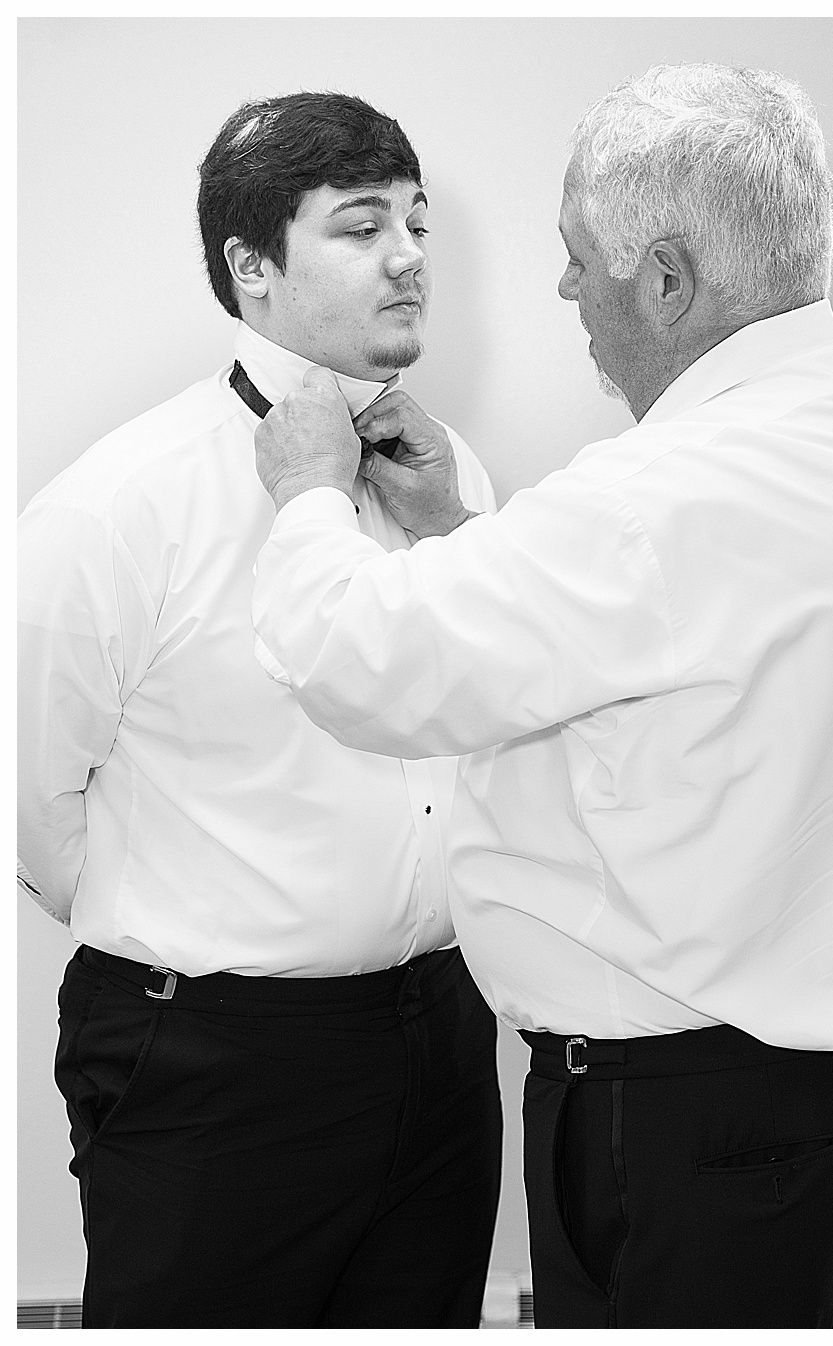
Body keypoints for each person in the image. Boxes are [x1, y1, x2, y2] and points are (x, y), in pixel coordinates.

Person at [246, 64, 833, 1329]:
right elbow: (655, 660)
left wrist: (312, 491)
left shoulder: (648, 499)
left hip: (681, 1141)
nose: (562, 289)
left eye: (577, 256)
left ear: (664, 280)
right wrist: (460, 530)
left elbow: (349, 652)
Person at [17, 92, 502, 1328]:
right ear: (252, 265)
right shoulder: (114, 506)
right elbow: (33, 806)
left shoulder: (454, 475)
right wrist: (197, 940)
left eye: (416, 220)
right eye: (358, 225)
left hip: (440, 1038)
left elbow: (507, 720)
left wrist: (464, 532)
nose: (407, 257)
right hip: (210, 1066)